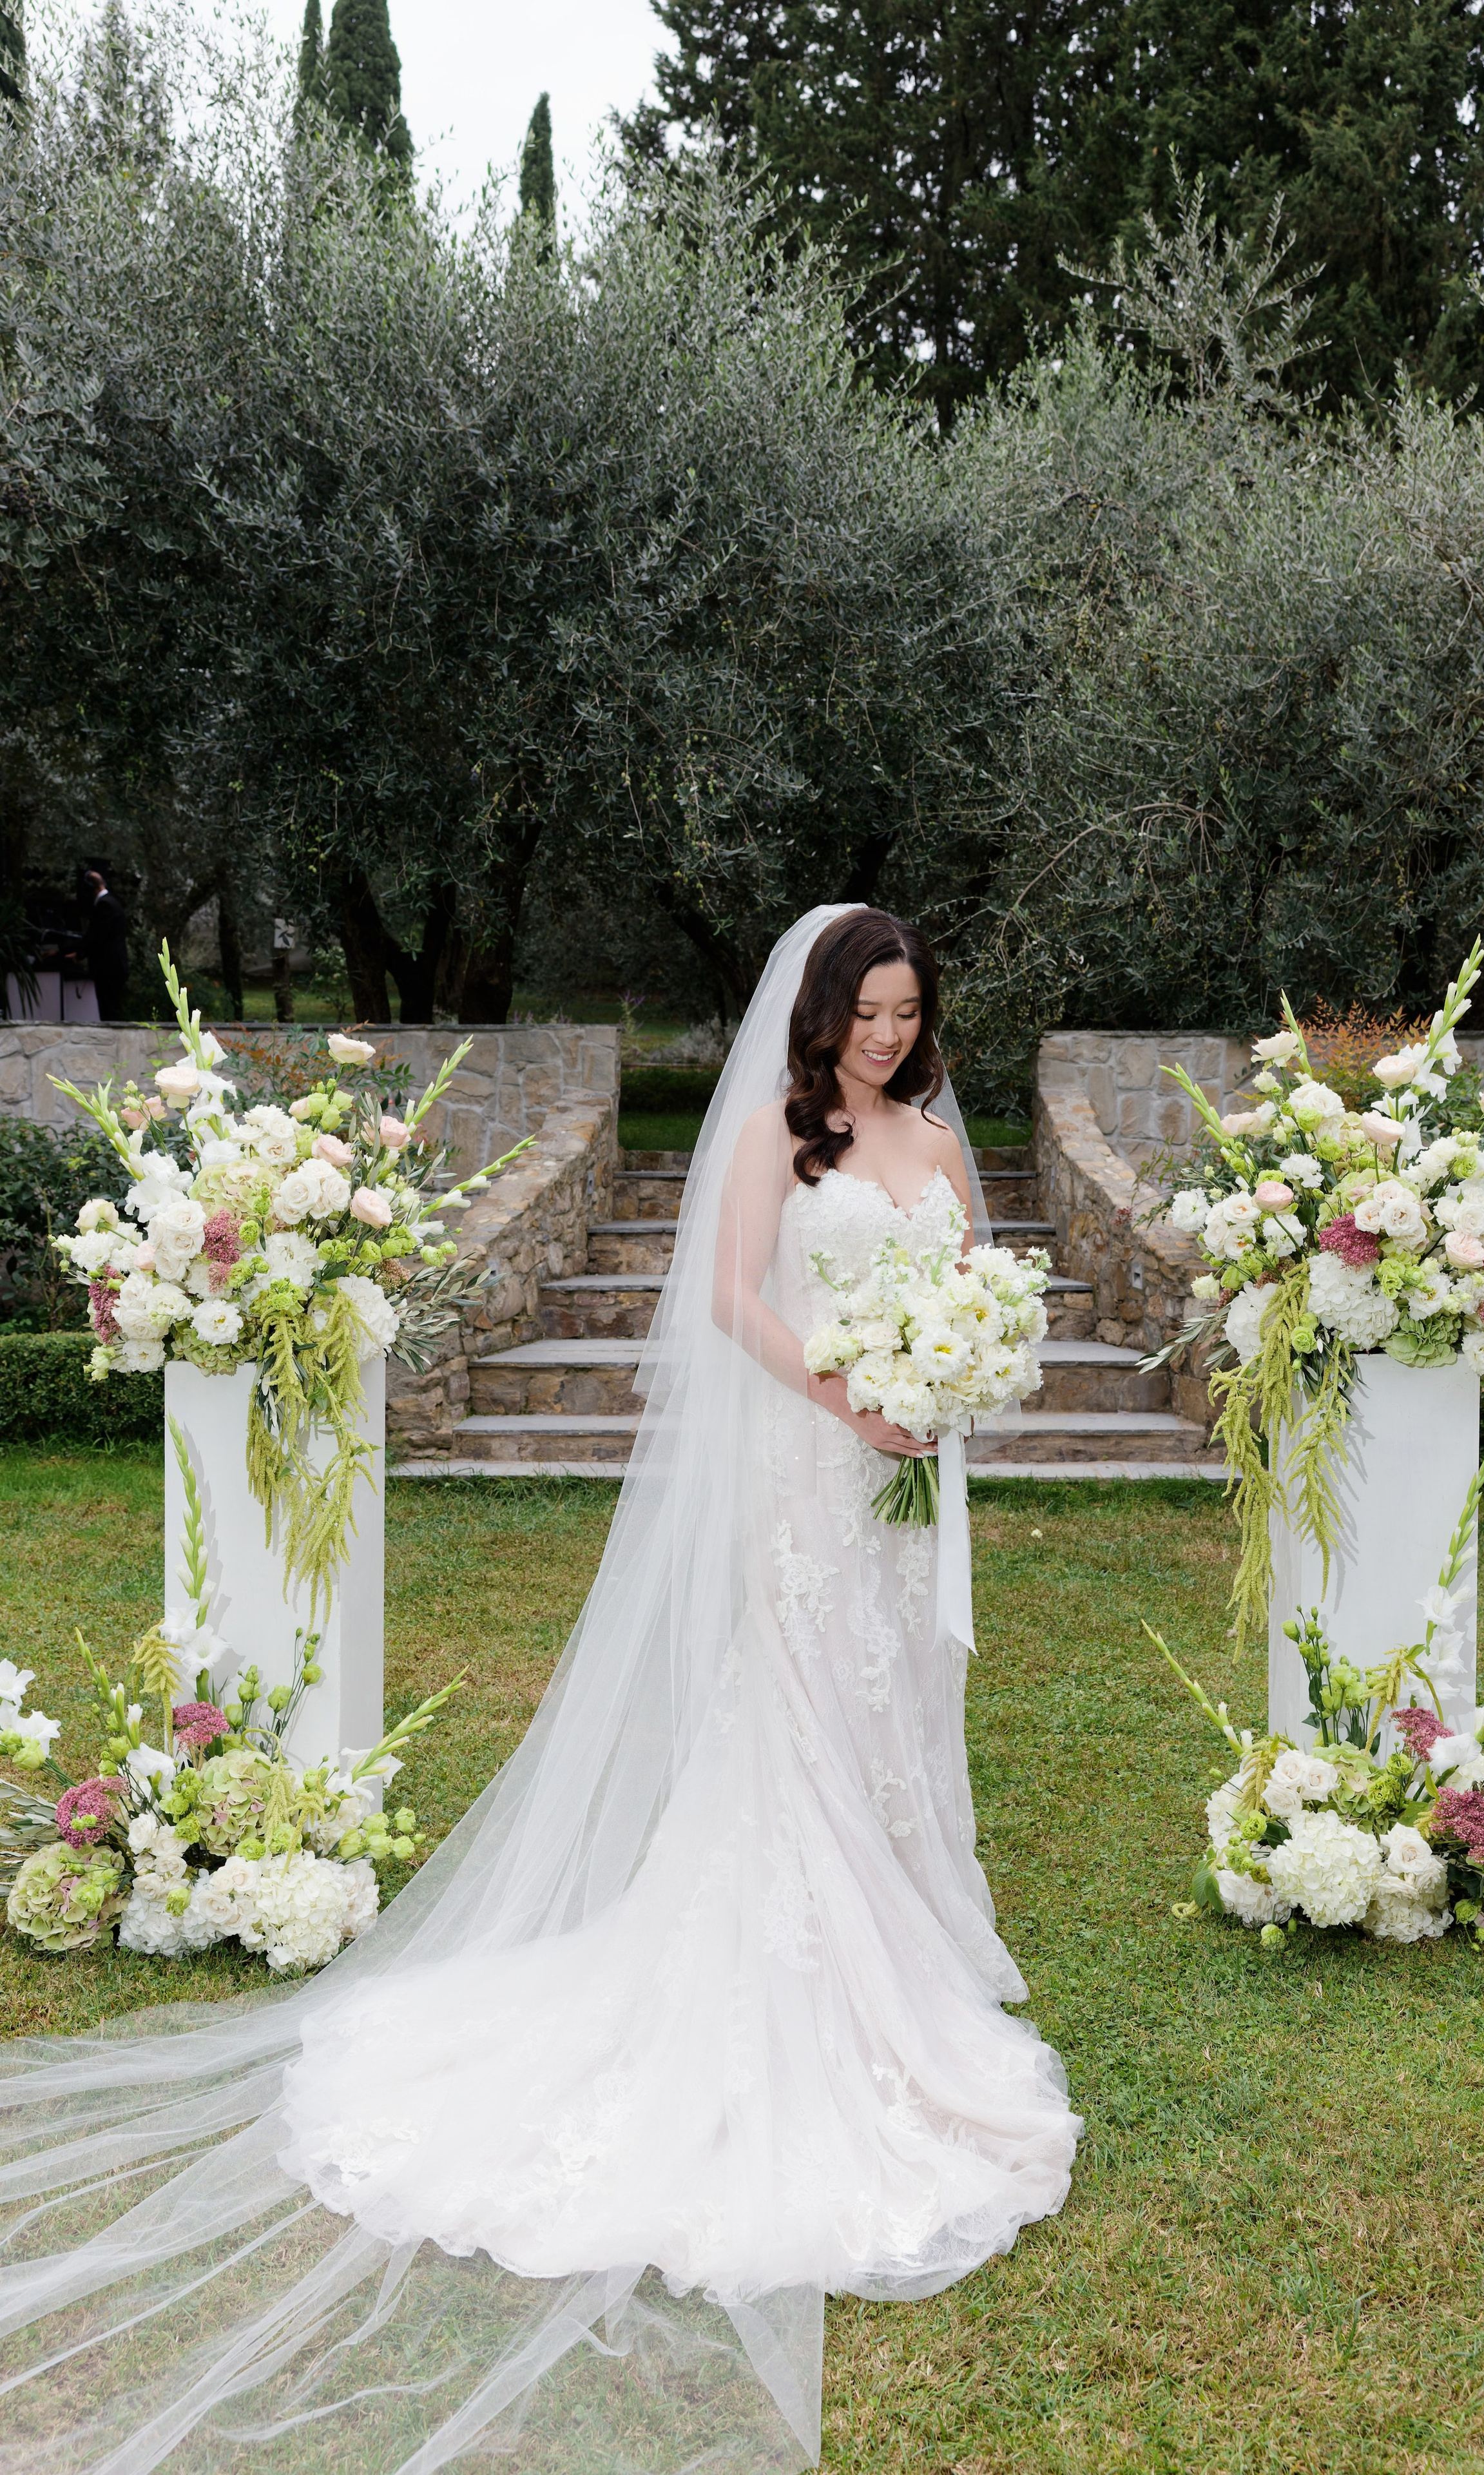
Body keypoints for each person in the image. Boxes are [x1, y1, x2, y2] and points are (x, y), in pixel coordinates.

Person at [0, 906, 1078, 2474]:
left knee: (891, 1706)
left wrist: (951, 1378)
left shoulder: (932, 1137)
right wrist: (851, 1394)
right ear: (822, 1012)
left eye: (907, 1012)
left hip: (903, 1481)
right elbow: (731, 1301)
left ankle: (902, 1930)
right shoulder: (785, 1132)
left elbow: (975, 1292)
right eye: (866, 1010)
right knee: (796, 1716)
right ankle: (826, 1977)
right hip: (805, 1463)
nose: (886, 1034)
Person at [77, 860, 128, 1022]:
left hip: (109, 969)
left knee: (110, 1013)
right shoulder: (113, 902)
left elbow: (97, 937)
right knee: (112, 1011)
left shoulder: (105, 904)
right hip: (114, 968)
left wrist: (79, 954)